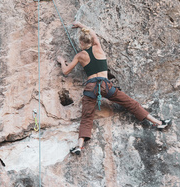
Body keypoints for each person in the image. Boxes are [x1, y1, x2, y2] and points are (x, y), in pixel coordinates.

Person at [56, 21, 171, 155]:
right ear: (92, 40)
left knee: (87, 116)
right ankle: (157, 122)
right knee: (131, 103)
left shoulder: (80, 56)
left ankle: (79, 146)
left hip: (91, 88)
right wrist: (81, 25)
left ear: (81, 43)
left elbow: (65, 71)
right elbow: (92, 32)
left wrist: (62, 61)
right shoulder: (98, 47)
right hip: (106, 85)